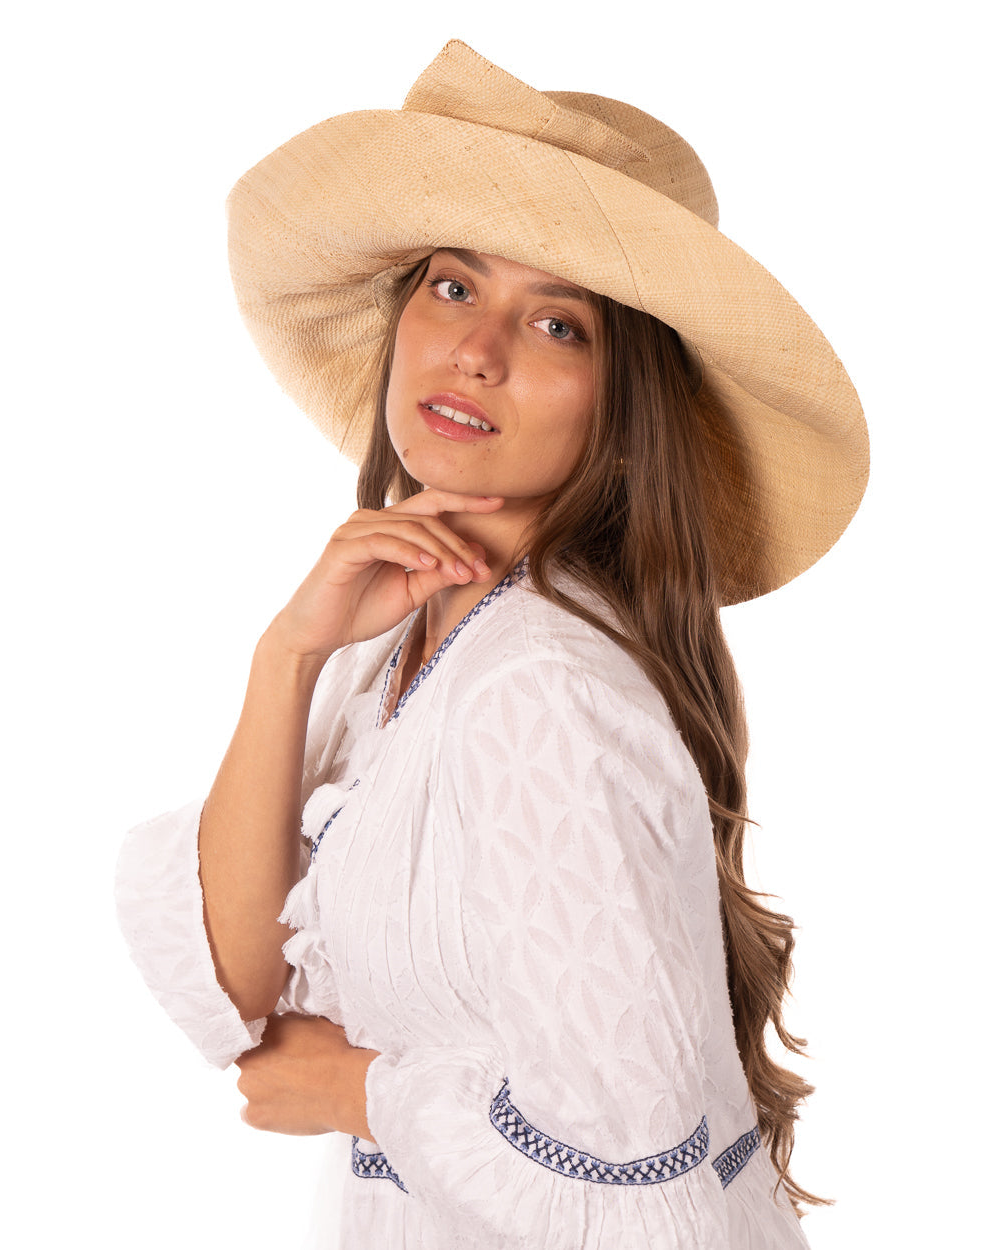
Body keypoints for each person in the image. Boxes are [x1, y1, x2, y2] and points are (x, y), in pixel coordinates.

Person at [115, 40, 867, 1250]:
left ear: (619, 407)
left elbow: (649, 1185)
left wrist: (363, 1089)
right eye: (454, 287)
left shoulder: (539, 686)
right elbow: (234, 986)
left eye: (557, 323)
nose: (479, 348)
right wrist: (286, 657)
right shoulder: (398, 637)